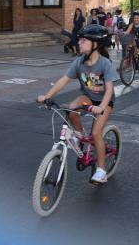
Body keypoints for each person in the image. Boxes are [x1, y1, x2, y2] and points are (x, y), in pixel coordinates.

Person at [37, 25, 118, 184]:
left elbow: (109, 89)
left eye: (83, 40)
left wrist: (101, 107)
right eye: (80, 40)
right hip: (87, 97)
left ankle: (101, 171)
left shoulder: (105, 64)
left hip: (104, 102)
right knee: (70, 108)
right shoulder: (79, 62)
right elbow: (63, 80)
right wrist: (47, 96)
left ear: (95, 44)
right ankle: (80, 134)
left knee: (96, 133)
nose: (79, 43)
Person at [124, 10, 139, 74]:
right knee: (129, 45)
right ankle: (131, 61)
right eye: (135, 18)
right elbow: (127, 32)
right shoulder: (132, 24)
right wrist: (122, 33)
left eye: (137, 18)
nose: (136, 19)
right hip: (136, 40)